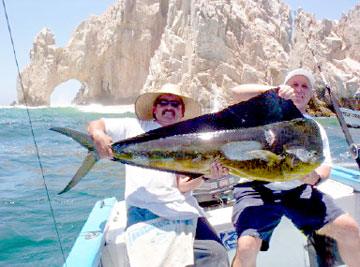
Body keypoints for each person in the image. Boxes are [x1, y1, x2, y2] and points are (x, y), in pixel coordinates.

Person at [87, 83, 229, 267]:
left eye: (175, 104)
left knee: (216, 253)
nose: (169, 107)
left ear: (182, 111)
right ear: (154, 108)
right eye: (163, 102)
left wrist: (206, 175)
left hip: (181, 207)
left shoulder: (188, 137)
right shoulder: (134, 126)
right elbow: (95, 124)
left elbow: (183, 186)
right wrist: (99, 135)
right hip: (143, 208)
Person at [230, 69, 360, 267]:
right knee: (247, 246)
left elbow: (325, 167)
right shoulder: (263, 117)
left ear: (309, 95)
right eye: (293, 84)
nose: (298, 89)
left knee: (350, 229)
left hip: (298, 190)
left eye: (304, 86)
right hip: (256, 189)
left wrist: (314, 178)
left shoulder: (314, 127)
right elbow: (236, 92)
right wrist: (274, 91)